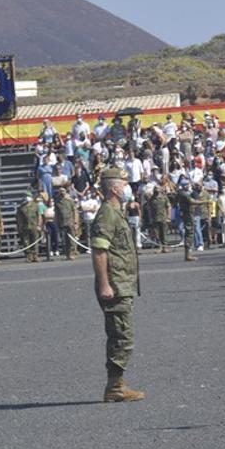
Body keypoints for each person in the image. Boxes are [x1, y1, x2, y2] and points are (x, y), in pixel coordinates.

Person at [91, 167, 144, 402]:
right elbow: (99, 250)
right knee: (122, 335)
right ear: (113, 188)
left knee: (122, 334)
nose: (126, 188)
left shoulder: (116, 212)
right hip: (115, 285)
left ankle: (117, 383)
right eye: (123, 184)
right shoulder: (107, 214)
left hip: (122, 283)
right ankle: (114, 386)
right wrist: (105, 284)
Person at [16, 193, 41, 263]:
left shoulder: (35, 206)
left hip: (34, 226)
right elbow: (19, 219)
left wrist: (39, 225)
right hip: (25, 227)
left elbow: (39, 216)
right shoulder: (21, 207)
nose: (27, 198)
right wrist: (19, 227)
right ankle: (28, 256)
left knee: (35, 242)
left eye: (28, 196)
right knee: (26, 242)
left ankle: (35, 255)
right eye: (25, 196)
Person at [55, 188, 78, 260]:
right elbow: (57, 214)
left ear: (66, 192)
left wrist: (76, 222)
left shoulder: (70, 201)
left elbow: (75, 211)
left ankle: (72, 253)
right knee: (64, 239)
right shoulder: (57, 202)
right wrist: (57, 223)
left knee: (71, 239)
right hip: (62, 222)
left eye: (63, 191)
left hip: (70, 222)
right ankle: (67, 253)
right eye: (60, 191)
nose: (62, 192)